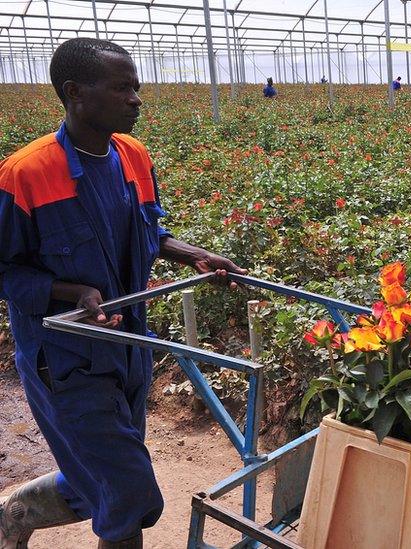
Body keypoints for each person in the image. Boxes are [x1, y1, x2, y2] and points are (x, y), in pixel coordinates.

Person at [0, 38, 245, 548]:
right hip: (64, 361)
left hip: (129, 345)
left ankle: (15, 515)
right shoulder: (25, 174)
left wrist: (194, 254)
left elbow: (148, 232)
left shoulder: (133, 155)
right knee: (129, 494)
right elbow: (6, 269)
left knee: (105, 475)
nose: (136, 98)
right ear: (75, 93)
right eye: (121, 88)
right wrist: (70, 292)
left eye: (135, 87)